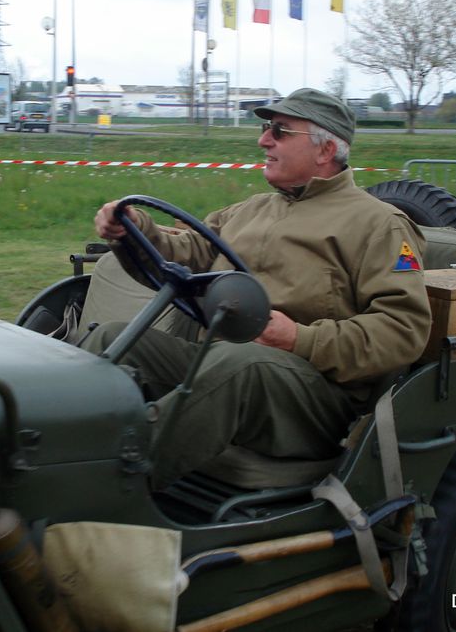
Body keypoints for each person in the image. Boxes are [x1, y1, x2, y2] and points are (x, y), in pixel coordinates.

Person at [84, 88, 432, 490]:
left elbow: (403, 329)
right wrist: (134, 228)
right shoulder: (250, 210)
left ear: (325, 150)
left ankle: (105, 486)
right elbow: (190, 251)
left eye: (280, 131)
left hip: (314, 396)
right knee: (114, 339)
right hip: (219, 361)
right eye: (267, 128)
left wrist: (299, 338)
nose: (263, 140)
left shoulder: (379, 224)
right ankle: (52, 446)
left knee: (241, 365)